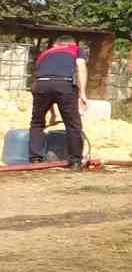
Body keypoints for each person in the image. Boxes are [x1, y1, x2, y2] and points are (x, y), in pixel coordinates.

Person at [29, 34, 89, 170]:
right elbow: (81, 66)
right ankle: (75, 161)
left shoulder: (46, 53)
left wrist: (52, 114)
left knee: (37, 122)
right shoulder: (76, 49)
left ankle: (35, 160)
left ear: (56, 44)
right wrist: (83, 93)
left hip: (40, 85)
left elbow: (45, 77)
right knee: (73, 124)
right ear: (72, 43)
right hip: (64, 84)